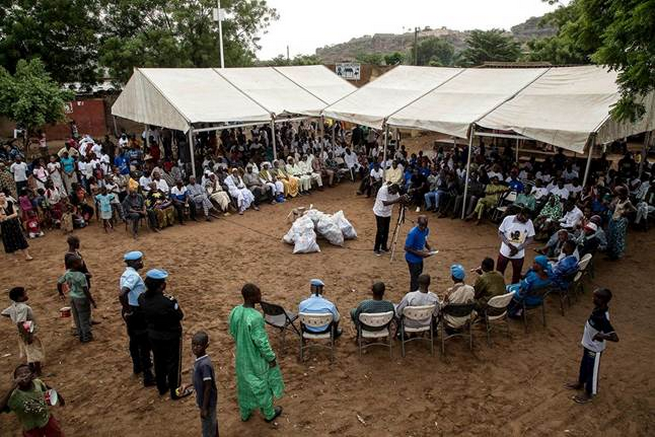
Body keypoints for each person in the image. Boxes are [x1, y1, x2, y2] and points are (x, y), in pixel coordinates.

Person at [228, 283, 284, 423]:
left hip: (241, 356)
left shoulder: (235, 311)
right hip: (255, 358)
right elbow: (262, 342)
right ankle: (269, 413)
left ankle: (245, 413)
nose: (261, 295)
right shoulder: (256, 317)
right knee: (261, 384)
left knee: (244, 384)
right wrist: (271, 358)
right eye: (258, 294)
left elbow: (232, 331)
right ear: (252, 297)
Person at [139, 269, 191, 400]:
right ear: (161, 285)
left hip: (153, 334)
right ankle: (176, 391)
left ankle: (162, 387)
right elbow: (179, 315)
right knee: (174, 363)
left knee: (158, 360)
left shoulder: (142, 298)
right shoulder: (169, 301)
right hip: (171, 335)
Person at [566, 288, 619, 404]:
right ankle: (580, 383)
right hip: (588, 345)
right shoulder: (598, 310)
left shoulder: (602, 318)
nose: (593, 298)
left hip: (594, 349)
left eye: (595, 297)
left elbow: (615, 338)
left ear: (602, 300)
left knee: (592, 371)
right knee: (584, 365)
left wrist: (601, 335)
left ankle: (588, 393)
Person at [119, 251, 155, 387]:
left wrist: (126, 310)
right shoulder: (133, 276)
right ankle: (148, 376)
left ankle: (137, 366)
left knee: (133, 340)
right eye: (139, 261)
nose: (141, 262)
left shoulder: (125, 274)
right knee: (144, 344)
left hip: (130, 309)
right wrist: (129, 310)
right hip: (136, 311)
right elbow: (122, 294)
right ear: (132, 263)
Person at [0, 364, 66, 436]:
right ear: (15, 379)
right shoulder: (14, 397)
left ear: (33, 375)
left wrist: (59, 396)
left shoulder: (37, 382)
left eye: (26, 372)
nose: (23, 375)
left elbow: (46, 387)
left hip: (46, 419)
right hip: (30, 428)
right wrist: (11, 389)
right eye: (19, 374)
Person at [2, 287, 46, 376]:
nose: (26, 295)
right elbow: (21, 322)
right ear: (19, 298)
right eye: (25, 294)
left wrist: (13, 316)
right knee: (34, 352)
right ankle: (38, 372)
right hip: (29, 332)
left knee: (28, 351)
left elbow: (4, 312)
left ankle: (31, 368)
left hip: (22, 333)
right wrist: (28, 335)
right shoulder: (23, 308)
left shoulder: (14, 306)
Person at [57, 255, 96, 342]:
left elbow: (59, 283)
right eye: (79, 262)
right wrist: (92, 301)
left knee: (76, 317)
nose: (81, 263)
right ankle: (87, 336)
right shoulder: (81, 276)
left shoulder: (67, 273)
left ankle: (81, 335)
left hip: (73, 297)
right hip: (82, 298)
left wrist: (61, 293)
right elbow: (85, 290)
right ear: (74, 264)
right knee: (84, 318)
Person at [191, 331, 219, 437]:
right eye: (193, 344)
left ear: (206, 346)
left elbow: (208, 387)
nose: (195, 348)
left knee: (208, 428)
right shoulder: (199, 360)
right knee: (211, 423)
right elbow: (198, 379)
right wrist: (188, 385)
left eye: (198, 345)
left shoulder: (204, 365)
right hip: (204, 401)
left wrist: (204, 408)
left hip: (208, 403)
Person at [497, 208, 535, 285]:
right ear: (520, 214)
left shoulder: (529, 222)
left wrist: (518, 249)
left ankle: (513, 290)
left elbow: (530, 238)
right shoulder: (508, 219)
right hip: (504, 252)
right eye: (525, 218)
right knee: (499, 273)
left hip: (519, 255)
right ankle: (499, 287)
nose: (526, 220)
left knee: (516, 275)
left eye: (528, 218)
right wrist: (509, 245)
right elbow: (500, 233)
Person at [0, 192, 33, 261]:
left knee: (20, 239)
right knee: (9, 241)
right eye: (1, 196)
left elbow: (15, 214)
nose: (3, 197)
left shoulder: (9, 203)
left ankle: (27, 255)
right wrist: (1, 209)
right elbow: (2, 218)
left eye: (3, 195)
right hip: (5, 226)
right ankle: (14, 258)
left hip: (14, 224)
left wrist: (8, 217)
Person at [404, 215, 433, 292]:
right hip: (412, 259)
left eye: (425, 226)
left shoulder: (426, 230)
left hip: (419, 258)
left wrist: (429, 248)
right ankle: (413, 293)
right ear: (418, 223)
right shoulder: (413, 233)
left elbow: (424, 239)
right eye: (421, 225)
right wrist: (420, 254)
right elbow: (406, 248)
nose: (423, 228)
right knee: (415, 279)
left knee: (419, 276)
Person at [606, 186, 636, 260]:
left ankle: (616, 254)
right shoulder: (619, 200)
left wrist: (626, 212)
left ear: (624, 194)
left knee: (618, 237)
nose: (619, 196)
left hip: (621, 221)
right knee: (611, 236)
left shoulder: (627, 202)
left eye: (620, 194)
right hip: (614, 219)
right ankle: (612, 253)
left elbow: (634, 210)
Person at [372, 183, 402, 255]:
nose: (394, 193)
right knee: (380, 230)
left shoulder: (396, 193)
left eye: (395, 192)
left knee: (386, 230)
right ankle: (376, 248)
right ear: (391, 188)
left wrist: (403, 200)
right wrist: (398, 200)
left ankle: (383, 246)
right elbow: (385, 203)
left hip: (388, 213)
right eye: (393, 192)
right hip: (379, 212)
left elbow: (399, 199)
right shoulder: (383, 190)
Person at [442, 264, 475, 329]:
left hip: (451, 321)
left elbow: (443, 306)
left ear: (453, 277)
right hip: (466, 319)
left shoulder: (449, 292)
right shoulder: (471, 289)